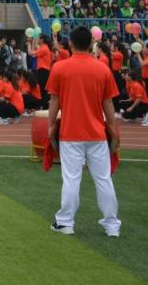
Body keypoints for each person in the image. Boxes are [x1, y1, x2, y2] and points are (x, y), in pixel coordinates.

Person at [45, 25, 120, 237]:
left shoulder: (60, 68)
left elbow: (54, 101)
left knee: (71, 179)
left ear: (70, 43)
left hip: (70, 133)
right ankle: (112, 225)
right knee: (103, 179)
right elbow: (108, 104)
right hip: (96, 134)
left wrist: (50, 126)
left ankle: (65, 222)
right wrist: (113, 130)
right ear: (91, 44)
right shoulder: (102, 69)